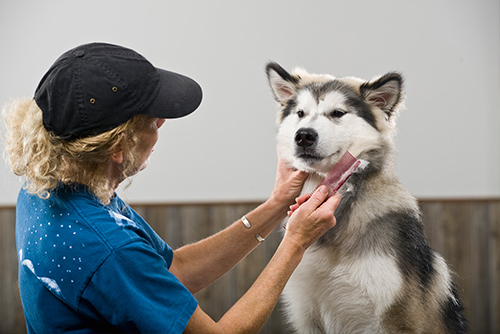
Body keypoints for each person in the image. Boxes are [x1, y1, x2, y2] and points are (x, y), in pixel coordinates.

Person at [2, 42, 341, 334]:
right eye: (151, 120)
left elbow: (172, 271)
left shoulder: (47, 188)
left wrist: (276, 205)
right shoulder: (108, 248)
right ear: (118, 147)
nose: (162, 121)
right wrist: (295, 241)